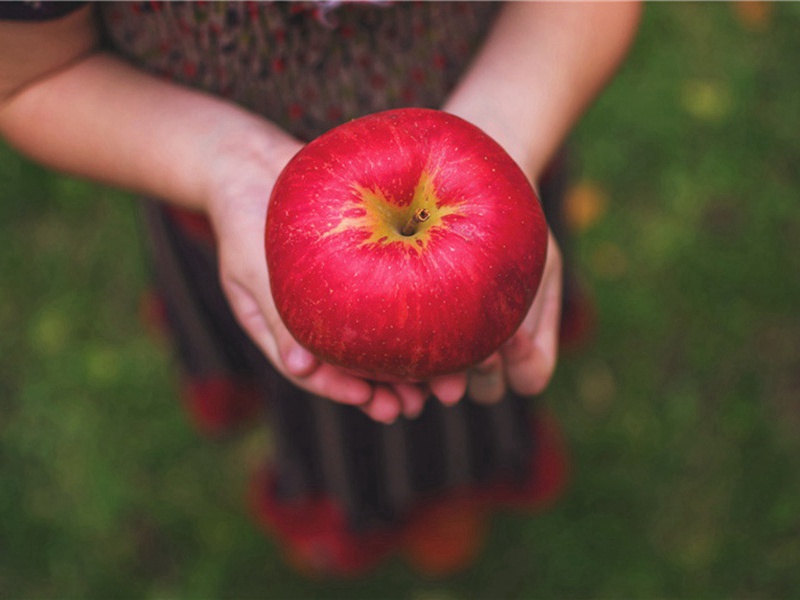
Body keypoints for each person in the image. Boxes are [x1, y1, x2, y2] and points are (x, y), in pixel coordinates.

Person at [0, 1, 640, 578]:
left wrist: (502, 138)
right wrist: (219, 162)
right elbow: (29, 75)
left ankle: (442, 499)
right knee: (307, 378)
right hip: (240, 211)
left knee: (464, 385)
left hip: (490, 183)